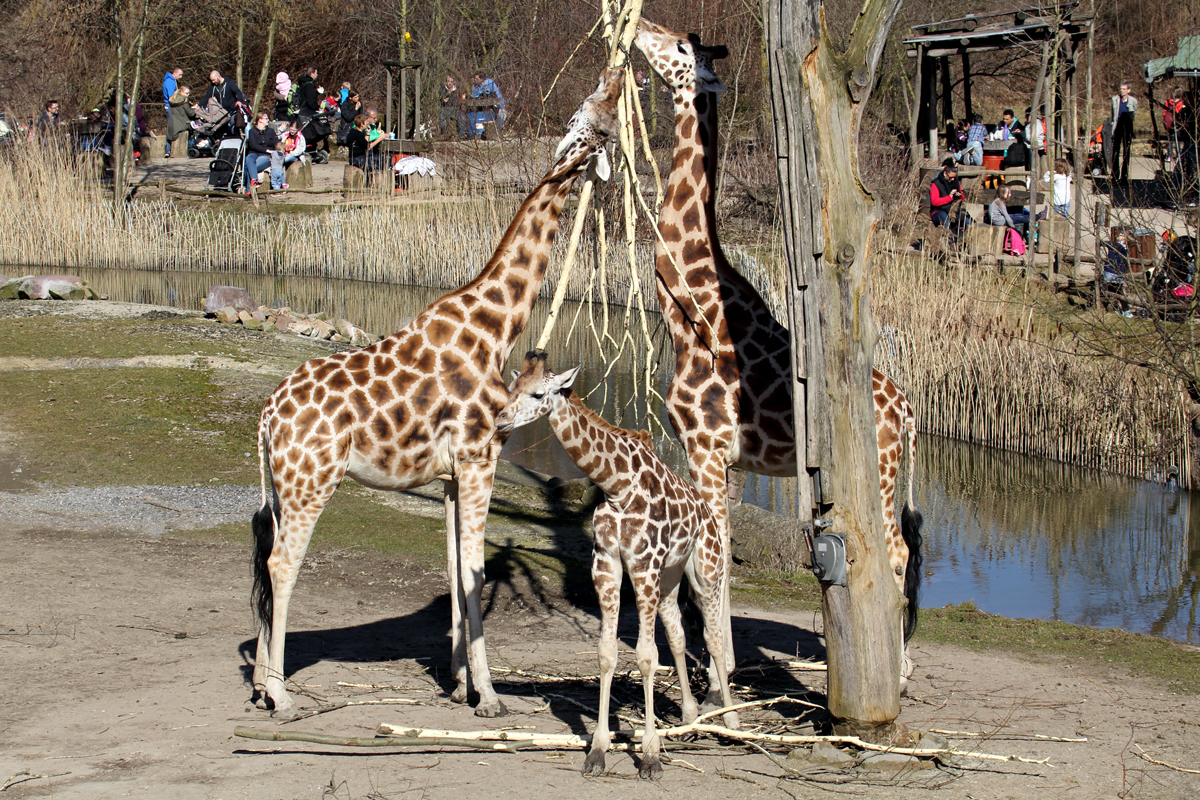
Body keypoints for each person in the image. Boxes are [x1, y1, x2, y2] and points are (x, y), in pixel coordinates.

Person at [243, 111, 279, 195]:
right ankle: (254, 180)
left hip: (265, 155)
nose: (268, 120)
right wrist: (266, 150)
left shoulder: (270, 131)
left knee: (250, 167)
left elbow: (275, 143)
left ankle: (249, 189)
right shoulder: (252, 131)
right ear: (260, 120)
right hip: (255, 153)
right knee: (249, 158)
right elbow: (253, 145)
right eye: (266, 118)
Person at [1110, 81, 1137, 183]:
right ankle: (1115, 176)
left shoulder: (1133, 101)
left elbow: (1134, 114)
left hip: (1127, 129)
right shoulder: (1115, 99)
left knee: (1126, 152)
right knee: (1115, 152)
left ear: (1128, 90)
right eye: (1121, 89)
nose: (1122, 91)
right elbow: (1113, 114)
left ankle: (1124, 176)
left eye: (1124, 89)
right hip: (1117, 128)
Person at [929, 158, 964, 227]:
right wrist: (950, 197)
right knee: (946, 223)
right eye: (951, 177)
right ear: (945, 173)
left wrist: (960, 195)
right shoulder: (936, 183)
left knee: (967, 222)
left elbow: (962, 198)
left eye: (955, 177)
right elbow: (934, 201)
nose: (953, 179)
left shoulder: (956, 182)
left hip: (954, 209)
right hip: (939, 210)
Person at [468, 71, 504, 138]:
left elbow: (498, 96)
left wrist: (500, 107)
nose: (475, 81)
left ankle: (497, 132)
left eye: (477, 79)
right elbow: (474, 95)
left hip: (493, 106)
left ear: (482, 79)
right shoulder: (475, 86)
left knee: (501, 115)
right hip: (480, 107)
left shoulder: (490, 83)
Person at [165, 86, 196, 158]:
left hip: (173, 124)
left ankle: (168, 151)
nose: (188, 95)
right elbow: (191, 114)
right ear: (181, 92)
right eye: (186, 93)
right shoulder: (184, 102)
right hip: (183, 124)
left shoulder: (172, 101)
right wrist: (195, 109)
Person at [162, 67, 182, 152]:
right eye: (180, 74)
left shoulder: (172, 81)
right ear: (175, 73)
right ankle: (168, 149)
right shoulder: (170, 82)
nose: (181, 77)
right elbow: (171, 97)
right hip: (170, 107)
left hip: (171, 106)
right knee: (171, 127)